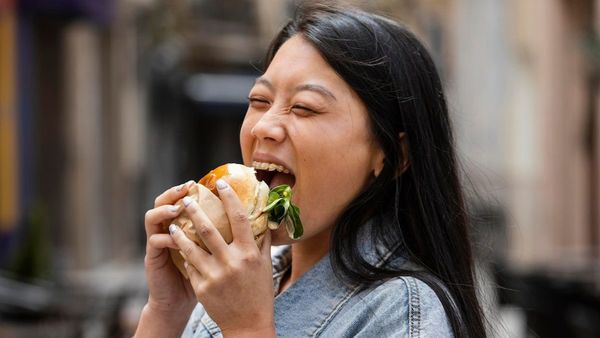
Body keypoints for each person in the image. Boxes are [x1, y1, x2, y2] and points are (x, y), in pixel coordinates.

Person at [135, 3, 486, 338]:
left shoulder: (403, 311)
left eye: (304, 108)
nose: (263, 127)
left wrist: (247, 327)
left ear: (393, 155)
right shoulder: (234, 281)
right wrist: (168, 309)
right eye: (259, 101)